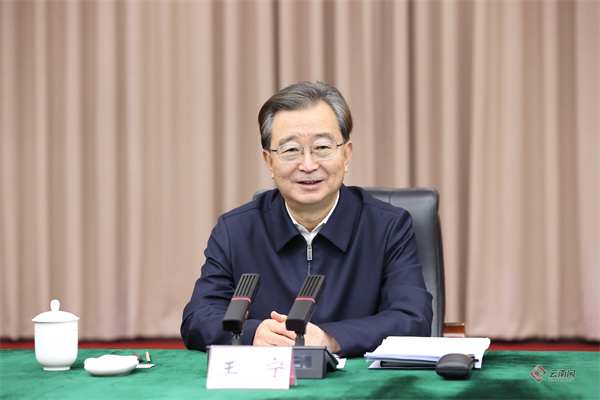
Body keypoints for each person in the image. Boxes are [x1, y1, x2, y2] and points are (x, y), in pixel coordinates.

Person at [181, 81, 433, 358]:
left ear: (346, 155)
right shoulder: (235, 230)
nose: (308, 165)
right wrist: (255, 334)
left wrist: (330, 338)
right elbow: (198, 317)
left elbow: (413, 319)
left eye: (322, 147)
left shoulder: (388, 227)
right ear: (269, 162)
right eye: (291, 150)